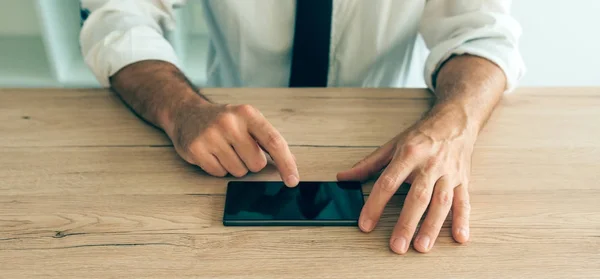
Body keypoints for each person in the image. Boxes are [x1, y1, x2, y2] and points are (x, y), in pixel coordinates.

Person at [79, 0, 525, 254]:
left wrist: (455, 122)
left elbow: (483, 35)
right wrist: (181, 108)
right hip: (224, 132)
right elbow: (120, 14)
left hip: (385, 136)